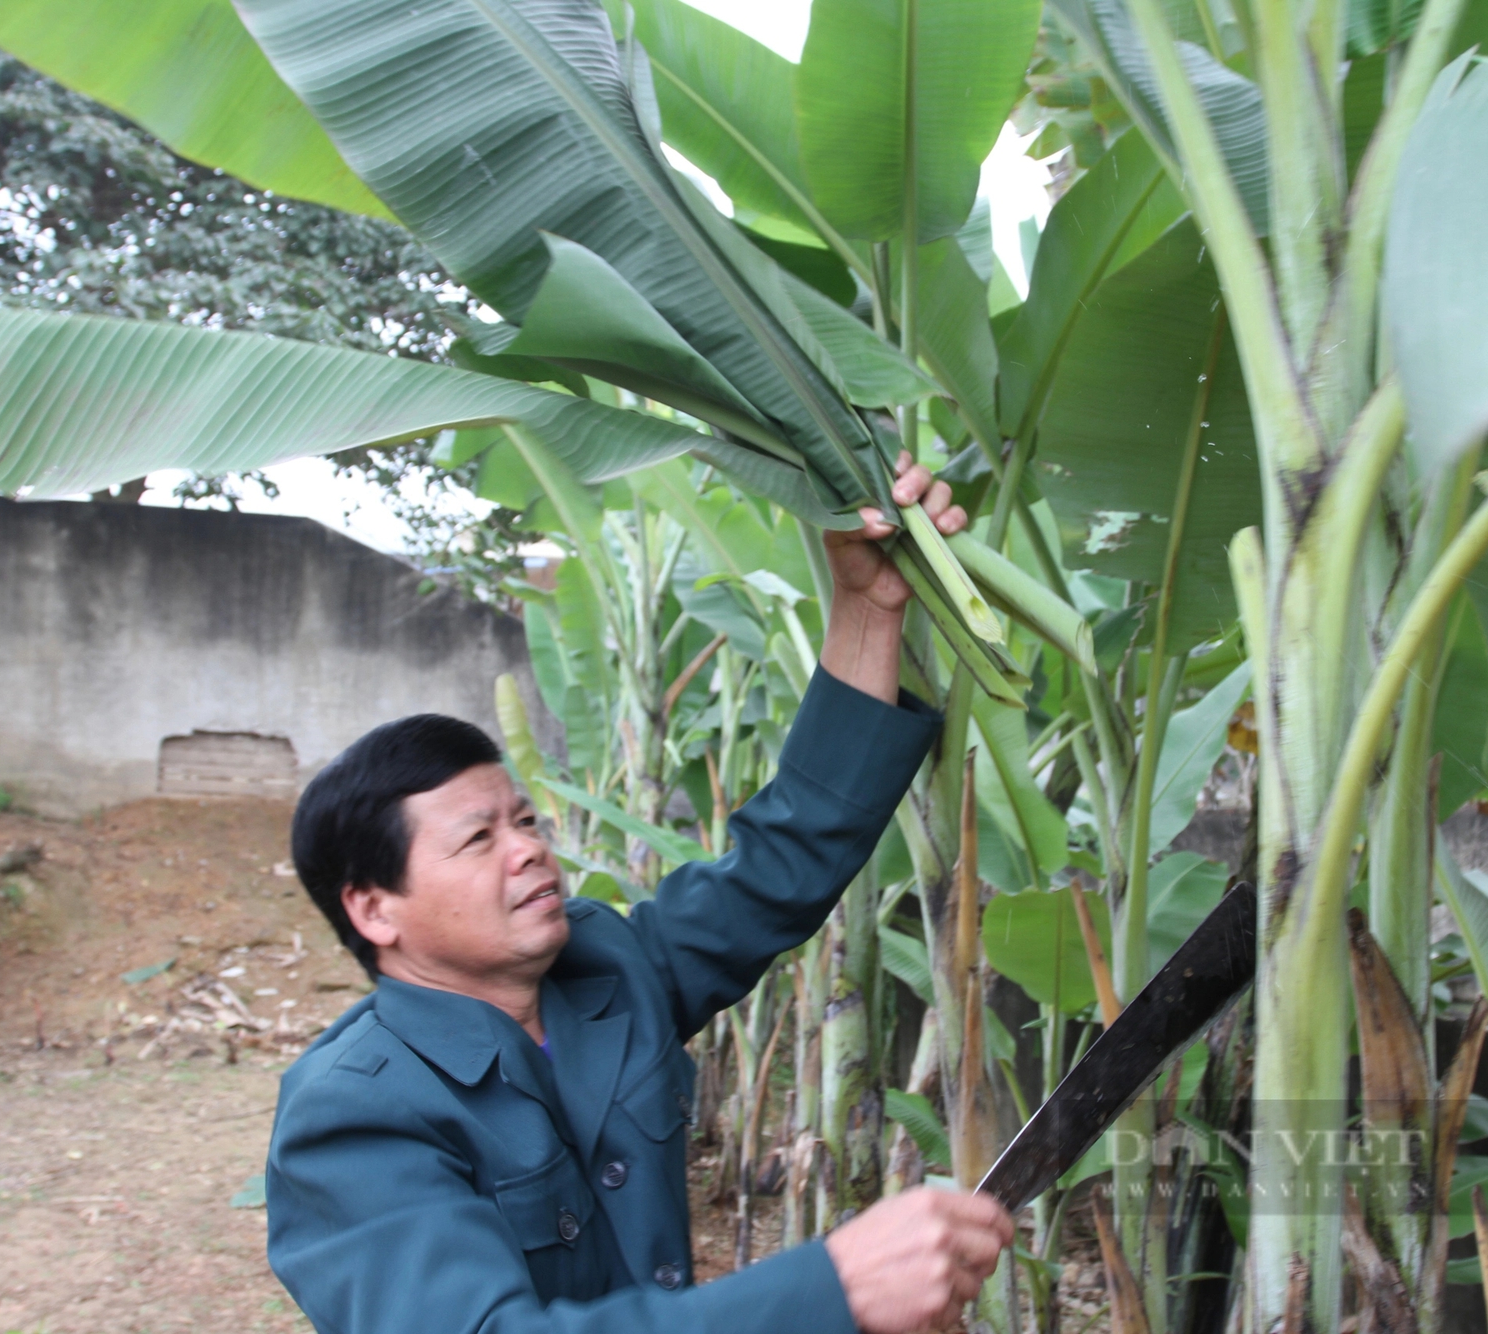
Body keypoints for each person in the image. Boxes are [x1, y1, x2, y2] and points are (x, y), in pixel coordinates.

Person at [268, 453, 1016, 1334]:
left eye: (525, 821)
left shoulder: (604, 971)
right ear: (373, 909)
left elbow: (784, 862)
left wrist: (867, 606)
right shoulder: (352, 1113)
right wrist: (830, 1291)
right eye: (480, 839)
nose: (529, 852)